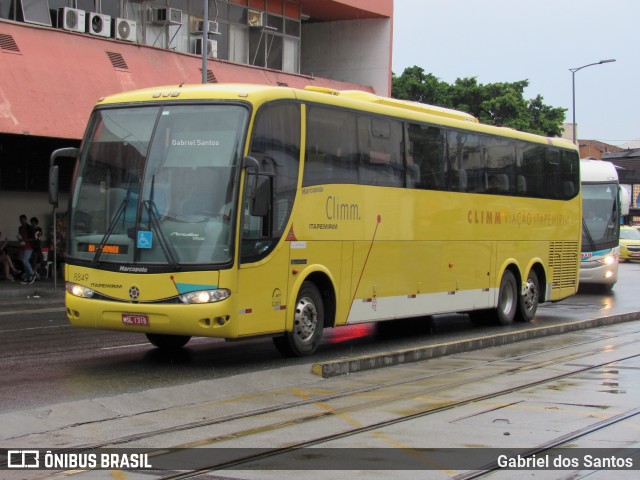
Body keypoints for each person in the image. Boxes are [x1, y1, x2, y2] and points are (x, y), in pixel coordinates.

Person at [18, 214, 36, 284]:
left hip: (29, 246)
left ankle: (32, 274)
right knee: (23, 261)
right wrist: (20, 240)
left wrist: (24, 239)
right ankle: (28, 276)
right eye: (20, 220)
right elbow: (20, 235)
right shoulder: (20, 228)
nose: (21, 222)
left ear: (25, 219)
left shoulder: (29, 228)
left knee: (25, 260)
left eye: (22, 220)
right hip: (22, 246)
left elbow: (32, 238)